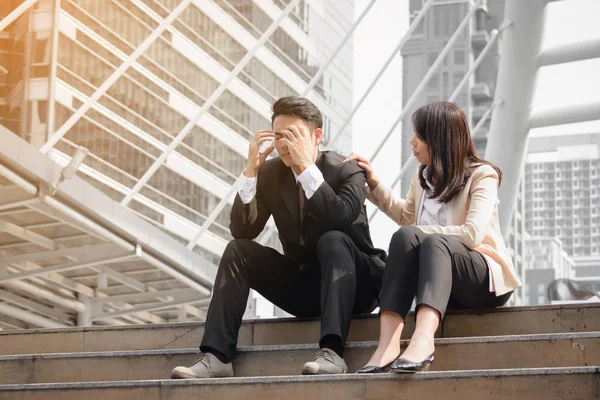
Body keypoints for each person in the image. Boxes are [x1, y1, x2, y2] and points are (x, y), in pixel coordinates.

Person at [171, 96, 385, 379]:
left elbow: (338, 218)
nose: (284, 144)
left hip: (355, 287)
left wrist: (306, 169)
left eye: (292, 135)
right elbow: (243, 231)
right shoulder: (272, 174)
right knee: (238, 250)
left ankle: (332, 352)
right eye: (278, 136)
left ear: (316, 135)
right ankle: (216, 356)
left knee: (332, 239)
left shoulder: (347, 170)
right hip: (305, 289)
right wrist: (251, 172)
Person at [346, 101, 522, 374]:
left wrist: (422, 233)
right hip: (439, 279)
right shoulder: (422, 176)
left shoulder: (482, 175)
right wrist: (374, 186)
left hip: (481, 276)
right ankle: (387, 345)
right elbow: (408, 219)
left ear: (440, 138)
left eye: (419, 135)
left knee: (433, 241)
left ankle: (423, 339)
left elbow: (472, 234)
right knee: (405, 237)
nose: (411, 141)